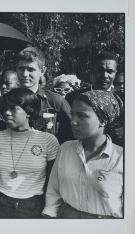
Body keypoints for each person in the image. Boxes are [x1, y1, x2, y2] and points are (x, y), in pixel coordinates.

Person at [42, 90, 123, 218]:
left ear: (102, 120)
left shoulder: (122, 158)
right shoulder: (65, 149)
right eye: (72, 114)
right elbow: (54, 191)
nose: (73, 121)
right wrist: (49, 216)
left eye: (82, 116)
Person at [0, 88, 60, 218]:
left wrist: (48, 213)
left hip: (33, 208)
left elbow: (53, 183)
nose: (7, 113)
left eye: (13, 108)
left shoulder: (47, 140)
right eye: (4, 108)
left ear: (29, 111)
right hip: (0, 206)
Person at [14, 46, 73, 143]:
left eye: (30, 69)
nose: (25, 74)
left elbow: (73, 133)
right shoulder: (5, 102)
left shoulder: (55, 101)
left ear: (42, 71)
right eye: (21, 68)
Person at [65, 51, 124, 146]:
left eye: (110, 71)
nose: (105, 76)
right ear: (92, 71)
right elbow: (65, 131)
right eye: (100, 70)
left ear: (115, 73)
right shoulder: (72, 97)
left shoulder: (123, 100)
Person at [0, 70, 19, 135]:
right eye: (1, 83)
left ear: (18, 84)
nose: (3, 86)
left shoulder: (22, 104)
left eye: (8, 83)